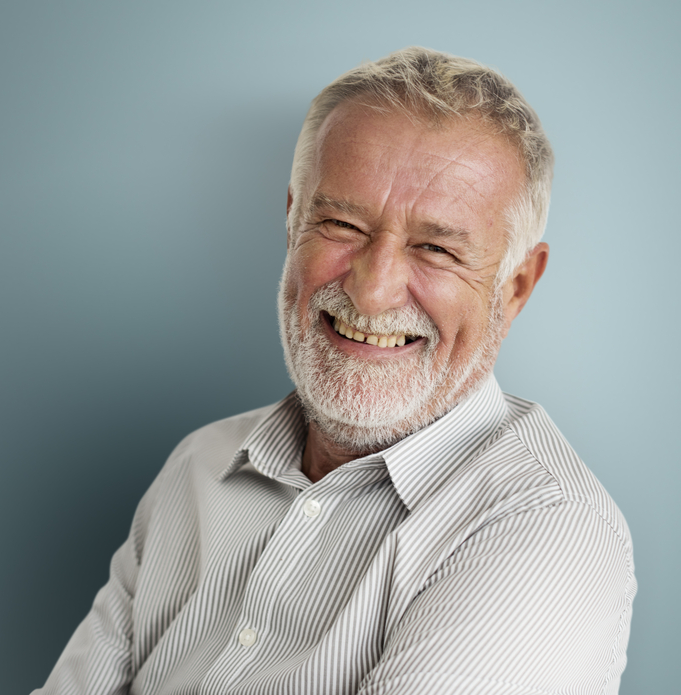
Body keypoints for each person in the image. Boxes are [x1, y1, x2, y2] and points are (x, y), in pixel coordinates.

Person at [35, 47, 636, 695]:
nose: (373, 291)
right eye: (342, 223)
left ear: (515, 287)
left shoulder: (547, 528)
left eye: (435, 248)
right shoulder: (200, 463)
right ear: (293, 222)